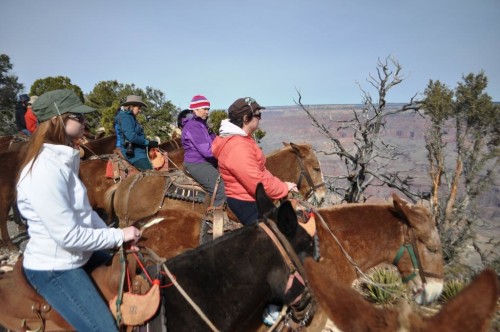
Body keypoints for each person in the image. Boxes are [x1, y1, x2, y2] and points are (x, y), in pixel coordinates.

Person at [16, 89, 141, 332]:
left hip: (78, 253)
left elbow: (85, 212)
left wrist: (113, 241)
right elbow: (68, 236)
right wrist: (119, 235)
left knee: (135, 277)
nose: (86, 122)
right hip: (55, 266)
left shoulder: (63, 160)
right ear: (58, 120)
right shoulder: (44, 170)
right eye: (79, 117)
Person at [212, 97, 297, 226]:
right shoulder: (237, 147)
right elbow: (257, 183)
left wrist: (281, 185)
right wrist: (283, 188)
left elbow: (261, 170)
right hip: (245, 202)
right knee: (277, 236)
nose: (260, 118)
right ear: (246, 119)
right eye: (258, 115)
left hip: (252, 197)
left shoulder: (244, 140)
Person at [181, 95, 225, 207]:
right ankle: (215, 221)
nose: (207, 112)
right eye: (204, 109)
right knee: (221, 189)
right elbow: (207, 151)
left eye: (208, 109)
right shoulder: (193, 126)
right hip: (197, 163)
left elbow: (215, 141)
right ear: (195, 109)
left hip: (206, 161)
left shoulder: (202, 124)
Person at [114, 95, 158, 170]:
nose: (140, 110)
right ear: (131, 106)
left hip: (138, 150)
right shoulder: (125, 117)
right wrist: (147, 142)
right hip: (134, 153)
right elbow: (132, 136)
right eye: (139, 107)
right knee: (152, 176)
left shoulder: (130, 117)